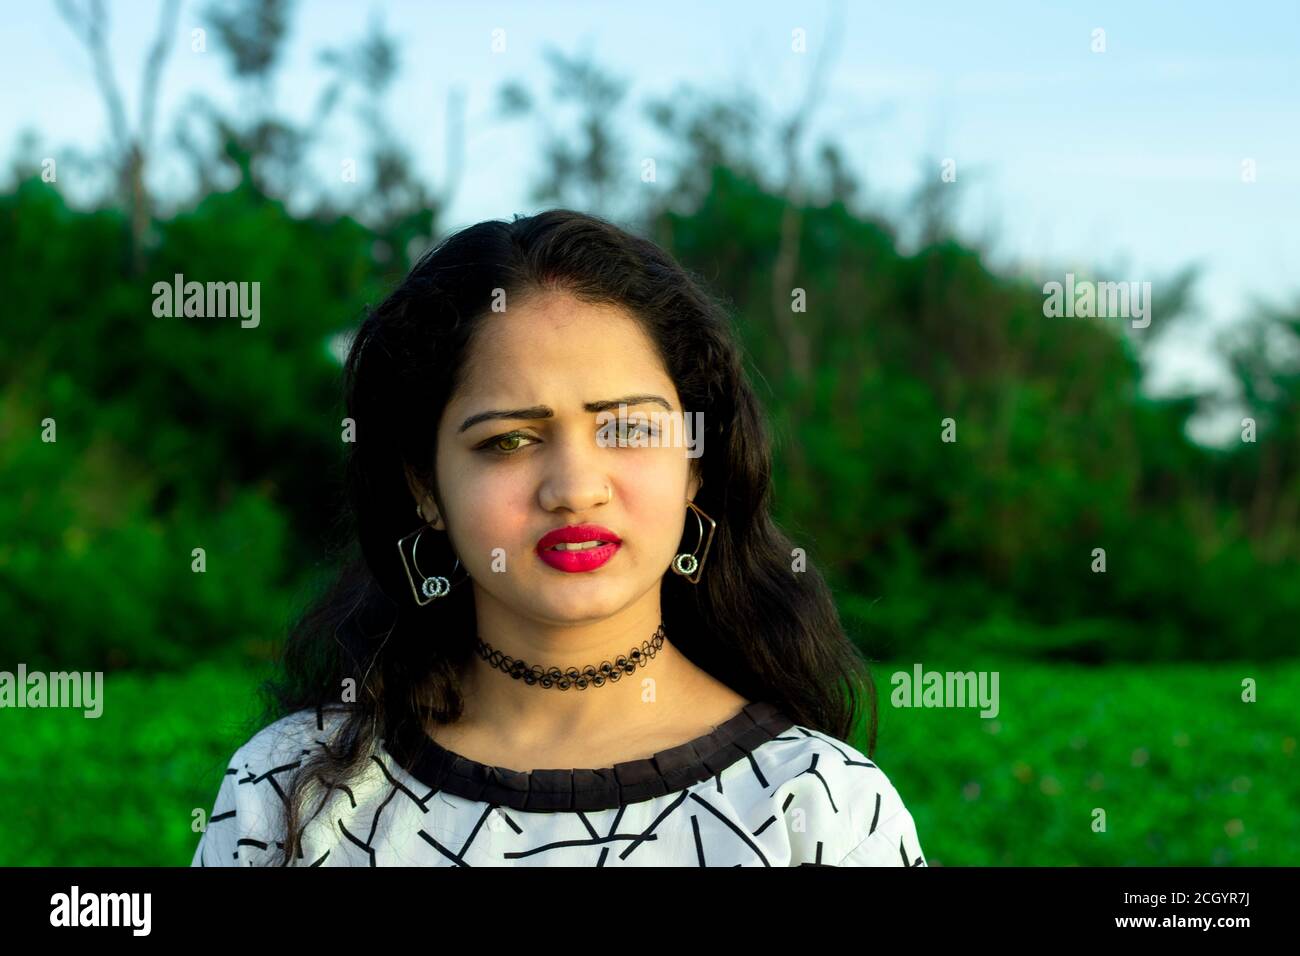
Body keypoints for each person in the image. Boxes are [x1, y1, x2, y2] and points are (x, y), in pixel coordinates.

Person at [191, 209, 926, 867]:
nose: (575, 487)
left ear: (695, 463)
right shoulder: (289, 792)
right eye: (509, 441)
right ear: (426, 487)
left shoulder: (818, 809)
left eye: (629, 429)